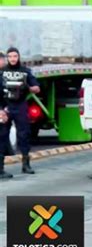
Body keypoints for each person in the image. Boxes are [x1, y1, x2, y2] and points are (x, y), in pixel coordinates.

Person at [0, 47, 41, 178]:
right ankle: (1, 169)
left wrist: (28, 87)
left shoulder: (25, 71)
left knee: (24, 135)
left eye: (15, 56)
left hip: (21, 106)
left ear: (18, 57)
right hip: (6, 107)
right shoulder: (2, 72)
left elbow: (37, 88)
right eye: (10, 56)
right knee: (2, 136)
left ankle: (26, 165)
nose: (13, 59)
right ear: (7, 58)